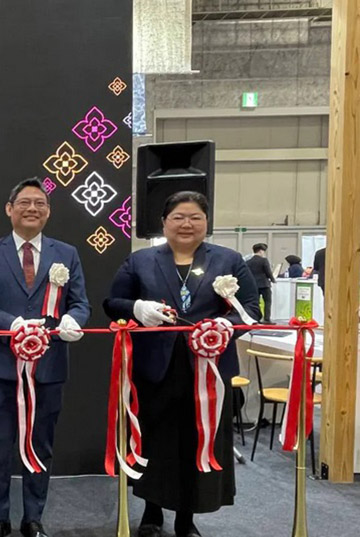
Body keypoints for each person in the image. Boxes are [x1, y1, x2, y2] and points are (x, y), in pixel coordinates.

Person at [103, 191, 260, 537]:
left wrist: (226, 325)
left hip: (209, 369)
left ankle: (187, 518)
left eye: (195, 217)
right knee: (154, 440)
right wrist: (137, 309)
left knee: (197, 442)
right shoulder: (140, 261)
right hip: (155, 368)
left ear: (207, 222)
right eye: (178, 217)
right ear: (164, 223)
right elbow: (112, 303)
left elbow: (251, 309)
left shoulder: (229, 260)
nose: (186, 224)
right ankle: (151, 513)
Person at [0, 177, 90, 537]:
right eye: (24, 202)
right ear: (9, 209)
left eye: (40, 203)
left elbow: (81, 303)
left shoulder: (66, 253)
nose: (32, 208)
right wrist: (12, 324)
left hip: (48, 367)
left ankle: (33, 518)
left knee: (41, 445)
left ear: (48, 211)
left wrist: (73, 320)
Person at [245, 243, 275, 323]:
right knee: (267, 301)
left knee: (256, 302)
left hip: (254, 285)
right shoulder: (264, 260)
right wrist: (273, 279)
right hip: (264, 285)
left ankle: (257, 318)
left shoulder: (248, 262)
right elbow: (268, 272)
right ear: (261, 251)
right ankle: (267, 319)